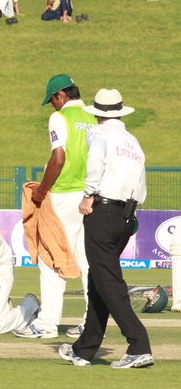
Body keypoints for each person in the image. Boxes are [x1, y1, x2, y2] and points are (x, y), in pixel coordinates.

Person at [58, 89, 153, 369]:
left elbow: (96, 159)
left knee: (107, 281)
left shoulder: (99, 134)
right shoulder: (132, 141)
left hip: (103, 210)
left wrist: (88, 194)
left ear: (97, 113)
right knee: (99, 279)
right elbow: (140, 180)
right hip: (126, 214)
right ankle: (85, 349)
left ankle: (139, 344)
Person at [17, 74, 97, 339]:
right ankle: (92, 323)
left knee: (51, 256)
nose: (52, 105)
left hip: (63, 195)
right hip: (90, 196)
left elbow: (58, 158)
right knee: (87, 262)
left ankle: (47, 323)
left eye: (52, 100)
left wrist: (41, 190)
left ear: (60, 95)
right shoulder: (93, 117)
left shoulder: (60, 117)